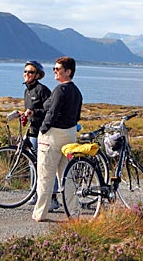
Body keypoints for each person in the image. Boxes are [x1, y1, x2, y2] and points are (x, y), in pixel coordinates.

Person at [32, 56, 83, 222]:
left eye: (57, 69)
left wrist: (43, 129)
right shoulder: (77, 92)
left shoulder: (60, 90)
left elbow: (52, 113)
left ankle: (40, 213)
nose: (54, 71)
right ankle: (74, 212)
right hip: (70, 135)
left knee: (45, 176)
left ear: (67, 72)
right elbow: (76, 116)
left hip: (52, 136)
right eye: (54, 69)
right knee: (67, 177)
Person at [22, 60, 60, 211]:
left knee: (46, 166)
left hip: (43, 133)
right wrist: (24, 115)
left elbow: (50, 111)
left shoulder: (42, 90)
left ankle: (53, 198)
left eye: (30, 72)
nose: (27, 74)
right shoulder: (27, 91)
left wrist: (34, 113)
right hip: (32, 132)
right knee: (33, 165)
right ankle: (35, 194)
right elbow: (30, 109)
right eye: (25, 71)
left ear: (37, 75)